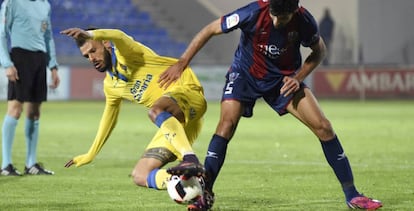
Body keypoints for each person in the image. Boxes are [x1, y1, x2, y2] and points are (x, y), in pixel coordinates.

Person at [158, 0, 382, 210]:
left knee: (324, 127)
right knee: (225, 126)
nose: (277, 21)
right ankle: (205, 194)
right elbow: (210, 29)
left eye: (282, 18)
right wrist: (182, 62)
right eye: (274, 15)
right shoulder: (252, 12)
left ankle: (352, 194)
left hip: (282, 81)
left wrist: (298, 76)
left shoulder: (304, 21)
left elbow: (319, 50)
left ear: (294, 11)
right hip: (245, 75)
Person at [61, 28, 206, 190]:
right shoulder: (111, 86)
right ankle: (196, 185)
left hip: (189, 94)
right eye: (87, 56)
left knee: (155, 110)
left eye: (93, 51)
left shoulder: (128, 55)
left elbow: (119, 35)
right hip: (174, 127)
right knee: (140, 175)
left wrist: (91, 35)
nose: (91, 58)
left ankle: (190, 159)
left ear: (106, 43)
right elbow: (108, 119)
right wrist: (91, 153)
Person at [0, 0, 60, 176]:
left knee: (34, 112)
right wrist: (7, 63)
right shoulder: (12, 2)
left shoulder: (44, 4)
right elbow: (2, 34)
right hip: (20, 57)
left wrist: (53, 65)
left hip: (39, 59)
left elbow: (48, 36)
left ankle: (31, 164)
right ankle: (6, 165)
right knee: (15, 109)